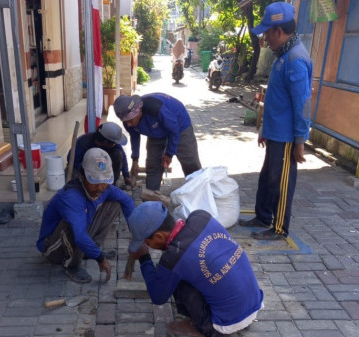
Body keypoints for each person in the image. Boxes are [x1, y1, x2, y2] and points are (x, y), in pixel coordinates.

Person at [127, 201, 263, 337]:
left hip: (225, 324)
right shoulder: (201, 216)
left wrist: (144, 258)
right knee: (182, 269)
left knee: (175, 279)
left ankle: (202, 328)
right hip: (254, 302)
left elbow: (157, 297)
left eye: (147, 243)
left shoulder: (173, 257)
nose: (149, 246)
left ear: (159, 236)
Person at [238, 2, 312, 241]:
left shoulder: (295, 59)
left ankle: (279, 228)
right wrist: (264, 130)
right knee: (267, 177)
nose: (265, 38)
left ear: (279, 31)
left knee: (281, 182)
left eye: (268, 32)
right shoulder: (284, 55)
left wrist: (300, 140)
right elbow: (276, 99)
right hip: (275, 133)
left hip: (287, 136)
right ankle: (263, 216)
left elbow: (302, 104)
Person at [36, 148, 134, 283]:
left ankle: (90, 250)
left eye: (104, 182)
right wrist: (100, 259)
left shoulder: (105, 189)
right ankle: (71, 265)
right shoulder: (71, 197)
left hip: (78, 234)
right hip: (53, 248)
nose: (100, 187)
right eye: (94, 182)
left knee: (115, 203)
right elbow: (80, 236)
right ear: (82, 176)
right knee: (73, 224)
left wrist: (135, 232)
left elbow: (127, 201)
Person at [113, 93, 202, 191]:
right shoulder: (127, 121)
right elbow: (134, 137)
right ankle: (151, 196)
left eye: (130, 120)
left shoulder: (155, 108)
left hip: (179, 127)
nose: (128, 125)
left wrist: (169, 154)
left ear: (138, 112)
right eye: (125, 122)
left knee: (190, 162)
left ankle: (199, 192)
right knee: (153, 164)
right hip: (156, 132)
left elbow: (174, 130)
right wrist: (135, 159)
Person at [66, 122, 132, 188]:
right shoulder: (83, 143)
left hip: (103, 168)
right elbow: (72, 161)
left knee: (117, 155)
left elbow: (122, 156)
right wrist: (91, 171)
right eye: (113, 143)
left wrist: (126, 176)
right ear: (106, 142)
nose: (114, 145)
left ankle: (110, 186)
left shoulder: (113, 146)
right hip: (85, 172)